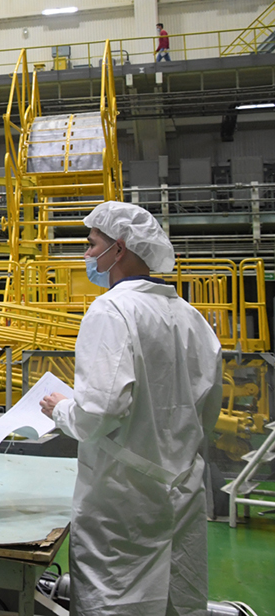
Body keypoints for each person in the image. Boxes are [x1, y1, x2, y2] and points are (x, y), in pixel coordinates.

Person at [40, 201, 222, 616]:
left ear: (118, 249)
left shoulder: (112, 310)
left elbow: (99, 413)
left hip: (124, 500)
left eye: (91, 244)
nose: (87, 254)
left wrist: (62, 409)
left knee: (117, 602)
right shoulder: (190, 317)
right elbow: (208, 410)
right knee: (178, 598)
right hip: (182, 489)